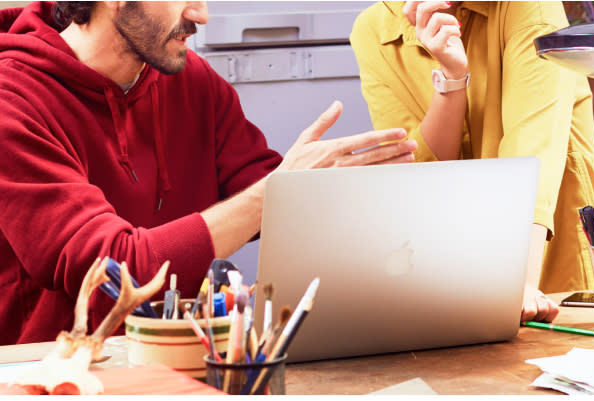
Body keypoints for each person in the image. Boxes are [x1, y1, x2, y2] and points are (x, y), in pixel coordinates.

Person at [0, 1, 418, 345]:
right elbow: (116, 271)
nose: (201, 15)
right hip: (54, 375)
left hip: (184, 359)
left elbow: (268, 191)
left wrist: (366, 210)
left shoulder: (189, 78)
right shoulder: (12, 102)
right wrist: (279, 192)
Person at [350, 1, 594, 323]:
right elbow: (414, 174)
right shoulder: (373, 30)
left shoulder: (530, 6)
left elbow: (532, 152)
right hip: (456, 273)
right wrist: (452, 81)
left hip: (545, 260)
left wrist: (516, 283)